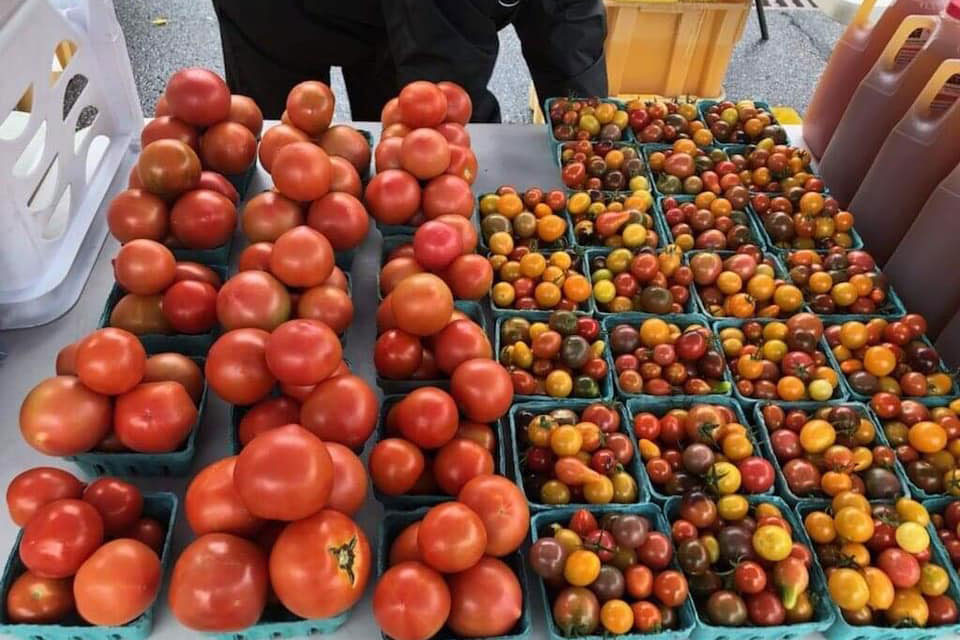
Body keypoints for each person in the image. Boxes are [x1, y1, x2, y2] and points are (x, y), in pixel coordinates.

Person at [211, 0, 608, 123]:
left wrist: (585, 124)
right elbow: (447, 79)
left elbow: (568, 19)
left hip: (398, 16)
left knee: (397, 135)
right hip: (276, 11)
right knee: (283, 154)